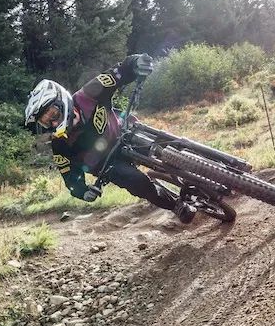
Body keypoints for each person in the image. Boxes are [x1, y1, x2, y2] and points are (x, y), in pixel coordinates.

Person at [24, 54, 196, 224]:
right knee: (138, 183)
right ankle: (176, 205)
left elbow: (118, 72)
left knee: (166, 148)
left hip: (124, 133)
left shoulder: (88, 95)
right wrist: (83, 192)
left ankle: (201, 165)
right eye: (46, 121)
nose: (53, 122)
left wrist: (136, 62)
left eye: (53, 113)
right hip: (107, 165)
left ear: (61, 100)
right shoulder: (59, 144)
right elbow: (69, 175)